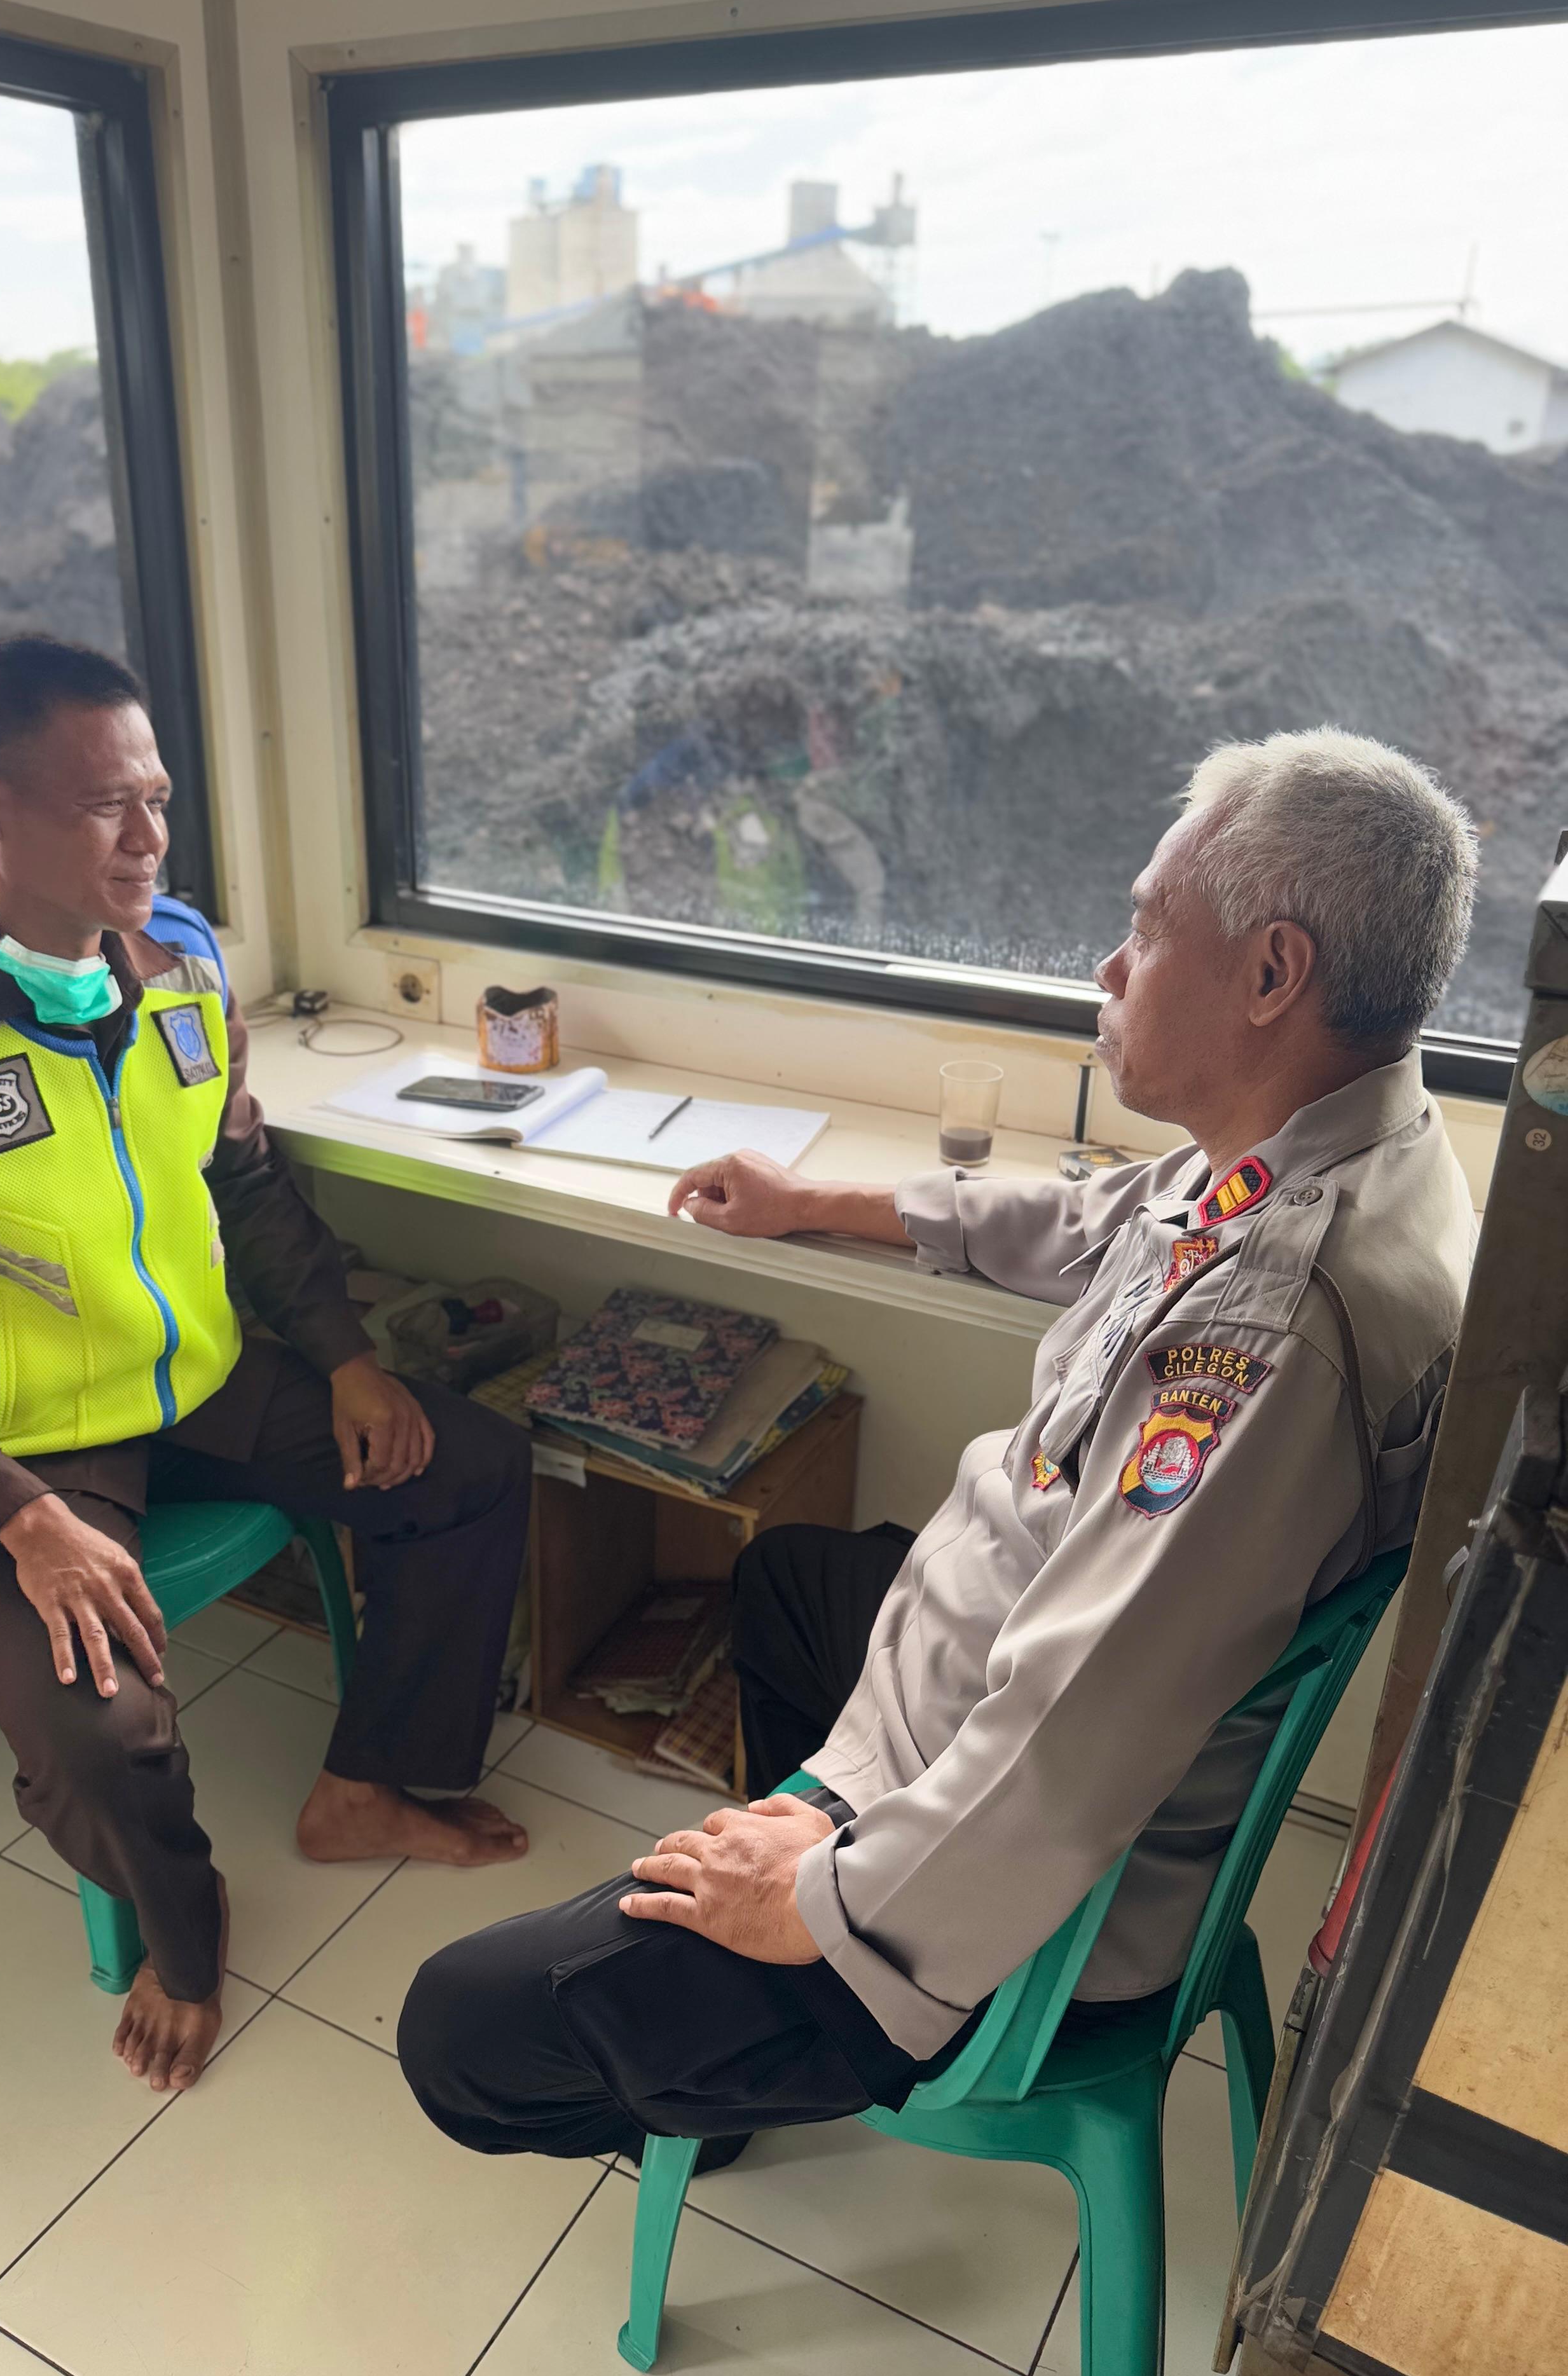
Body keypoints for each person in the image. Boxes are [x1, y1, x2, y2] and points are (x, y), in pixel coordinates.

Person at [399, 727, 1478, 2169]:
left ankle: (796, 1990)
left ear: (1273, 974)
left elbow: (1086, 1727)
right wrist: (814, 1204)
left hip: (1021, 1887)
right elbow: (1100, 1223)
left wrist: (825, 1896)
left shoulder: (1274, 1333)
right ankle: (739, 2027)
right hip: (982, 1692)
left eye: (1149, 928)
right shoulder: (1342, 1145)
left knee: (458, 2031)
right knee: (788, 1583)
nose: (1111, 965)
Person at [0, 634, 532, 2097]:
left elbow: (245, 1184)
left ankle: (365, 1789)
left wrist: (345, 1357)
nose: (149, 837)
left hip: (203, 1381)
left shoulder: (182, 961)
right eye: (106, 805)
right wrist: (19, 1516)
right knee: (102, 1742)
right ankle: (188, 1933)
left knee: (473, 1468)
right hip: (15, 1451)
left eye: (158, 799)